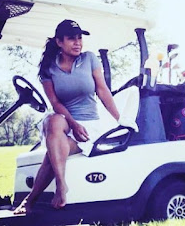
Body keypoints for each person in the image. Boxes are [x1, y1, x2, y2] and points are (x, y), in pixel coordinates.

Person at [14, 19, 122, 214]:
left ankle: (30, 201)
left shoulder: (89, 59)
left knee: (53, 152)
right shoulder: (48, 68)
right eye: (72, 39)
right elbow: (55, 103)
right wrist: (72, 123)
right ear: (59, 42)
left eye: (80, 38)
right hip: (64, 121)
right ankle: (61, 185)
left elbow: (103, 91)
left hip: (89, 125)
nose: (78, 42)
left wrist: (121, 121)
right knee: (52, 119)